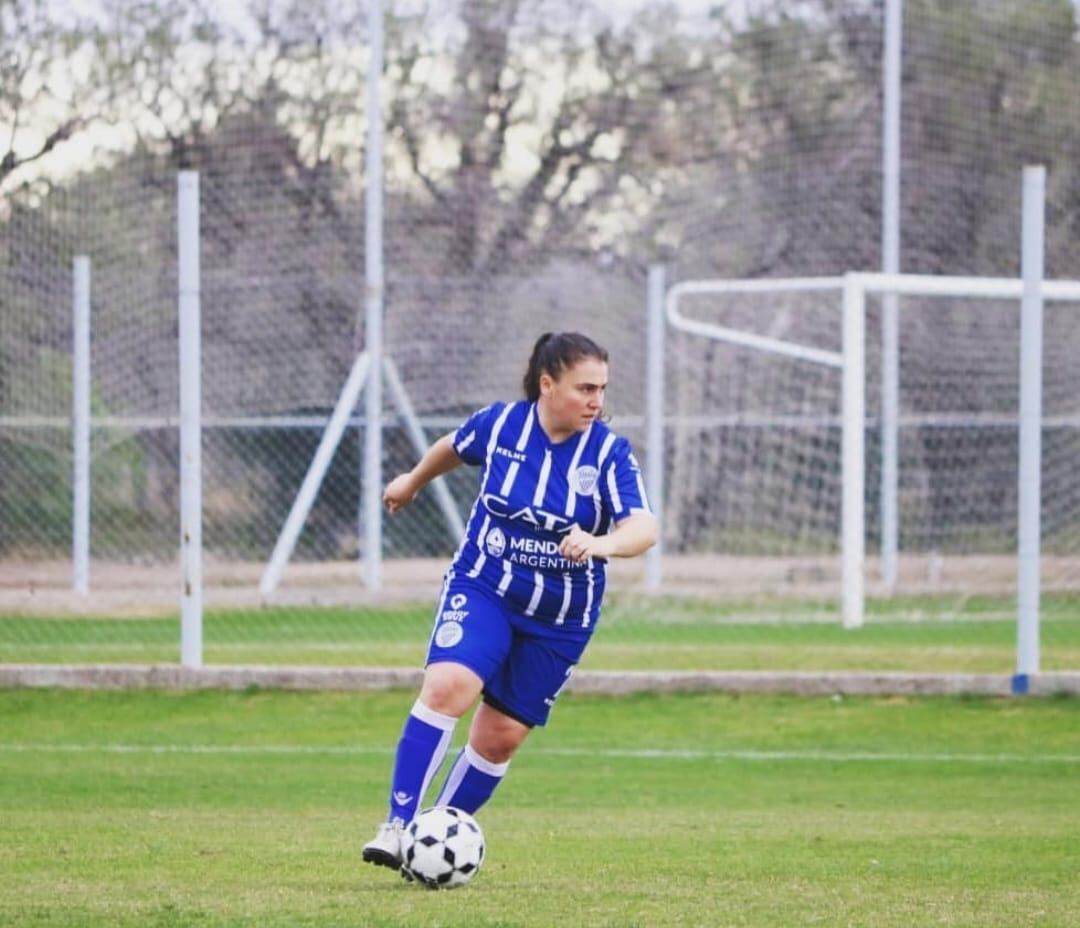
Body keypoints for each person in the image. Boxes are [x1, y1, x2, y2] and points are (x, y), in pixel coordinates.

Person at [362, 331, 658, 872]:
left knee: (499, 739)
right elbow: (454, 445)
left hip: (560, 619)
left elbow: (644, 526)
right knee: (449, 684)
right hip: (486, 587)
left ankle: (431, 843)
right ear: (547, 384)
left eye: (602, 389)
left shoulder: (609, 453)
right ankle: (398, 825)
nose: (596, 401)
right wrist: (412, 481)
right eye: (584, 388)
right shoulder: (502, 425)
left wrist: (603, 543)